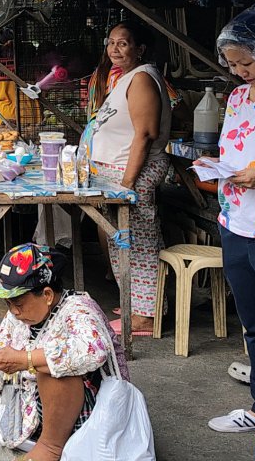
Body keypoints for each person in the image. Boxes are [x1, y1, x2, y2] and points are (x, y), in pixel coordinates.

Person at [196, 0, 255, 434]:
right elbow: (237, 151)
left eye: (245, 62)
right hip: (235, 221)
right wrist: (215, 167)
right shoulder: (235, 96)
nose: (238, 71)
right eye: (232, 63)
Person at [0, 243, 129, 461]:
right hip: (25, 406)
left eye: (19, 303)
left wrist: (26, 360)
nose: (13, 311)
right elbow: (2, 348)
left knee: (51, 369)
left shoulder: (79, 308)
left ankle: (49, 449)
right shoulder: (17, 317)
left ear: (48, 295)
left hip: (76, 421)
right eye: (9, 303)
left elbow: (92, 351)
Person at [86, 21, 172, 336]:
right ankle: (136, 304)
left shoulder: (142, 78)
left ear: (140, 48)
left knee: (141, 242)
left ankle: (147, 317)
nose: (115, 49)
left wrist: (127, 184)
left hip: (134, 172)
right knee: (122, 240)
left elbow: (145, 134)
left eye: (123, 43)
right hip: (118, 172)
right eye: (111, 43)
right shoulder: (124, 78)